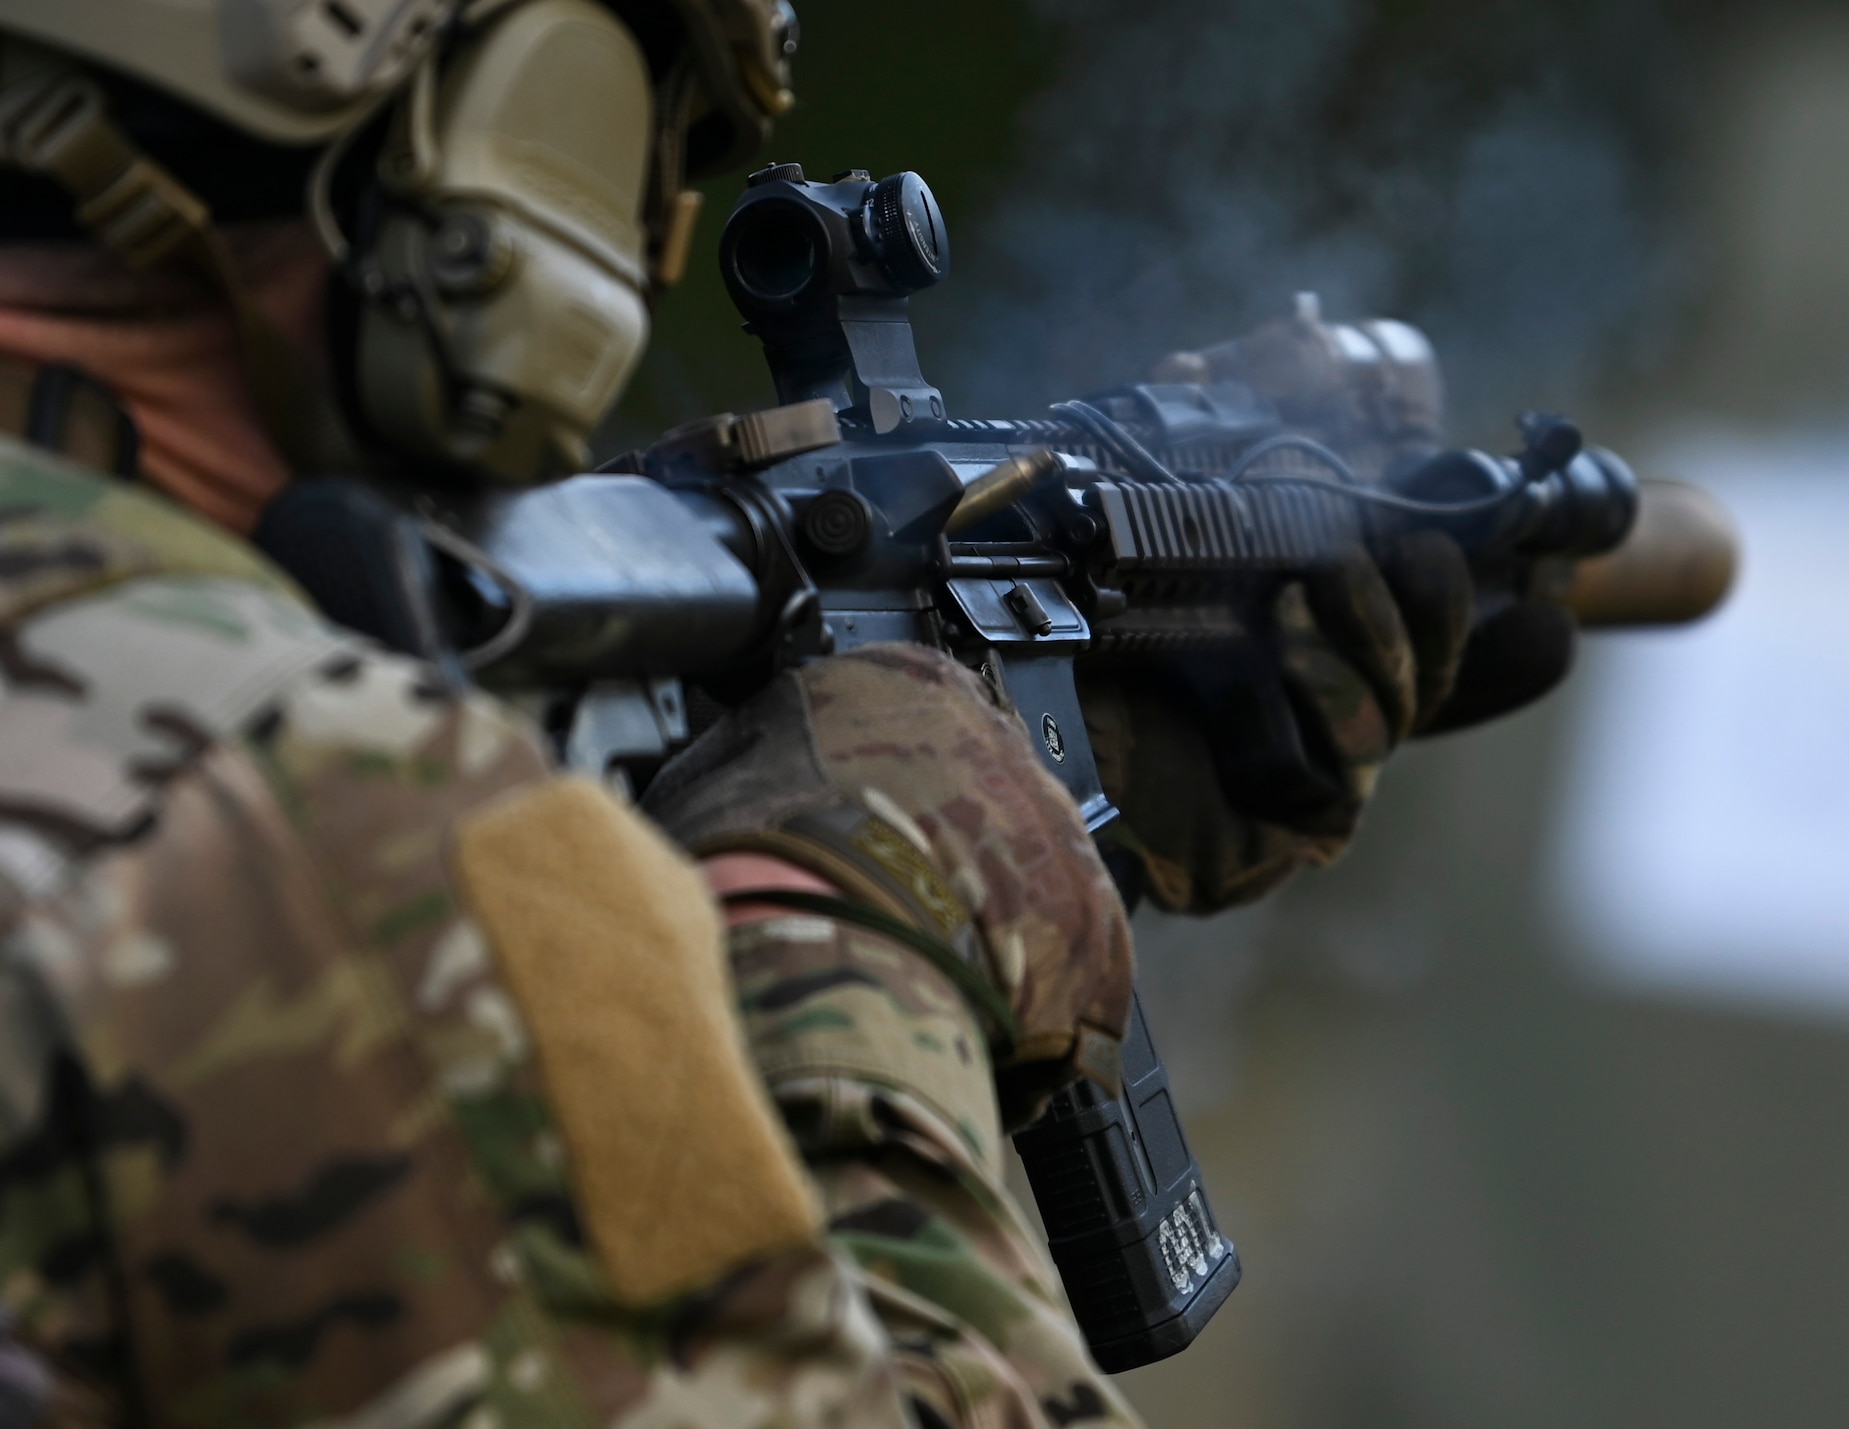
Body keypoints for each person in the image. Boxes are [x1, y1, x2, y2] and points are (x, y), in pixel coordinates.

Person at [0, 3, 1569, 1425]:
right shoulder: (327, 846)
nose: (650, 238)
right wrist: (862, 929)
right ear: (502, 129)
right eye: (646, 132)